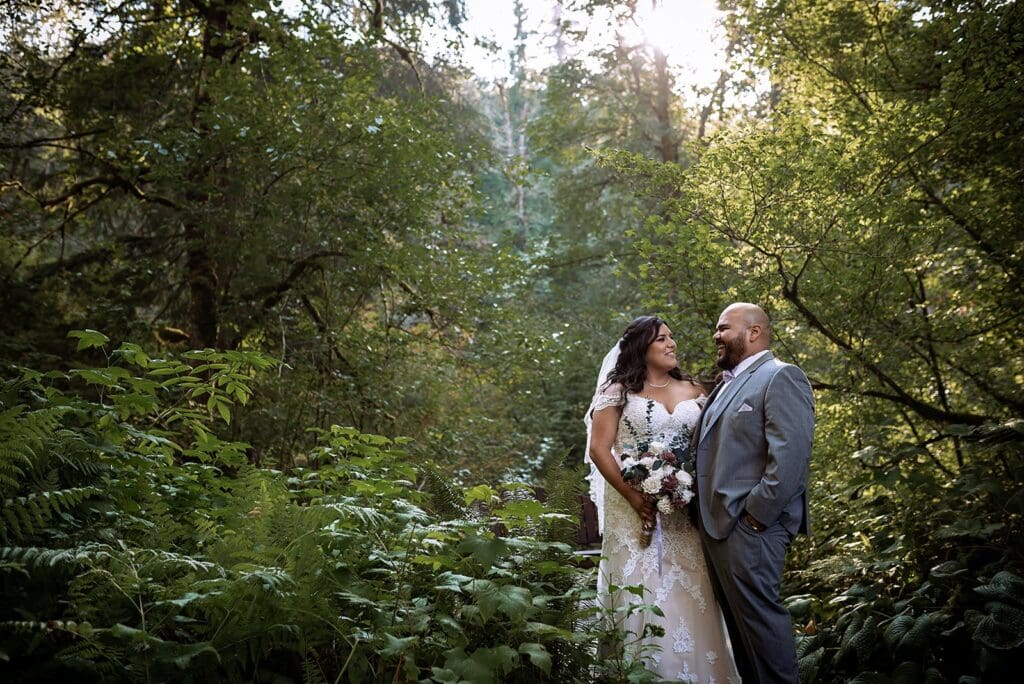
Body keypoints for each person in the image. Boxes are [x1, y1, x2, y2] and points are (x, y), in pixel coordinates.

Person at [586, 315, 740, 682]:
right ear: (642, 347)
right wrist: (634, 496)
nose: (672, 344)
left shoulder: (694, 389)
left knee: (690, 594)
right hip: (633, 512)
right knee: (643, 593)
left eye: (672, 337)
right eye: (662, 339)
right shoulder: (618, 391)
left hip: (684, 515)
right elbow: (599, 449)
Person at [694, 303, 814, 683]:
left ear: (754, 331)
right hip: (719, 530)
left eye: (724, 328)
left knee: (764, 638)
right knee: (744, 643)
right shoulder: (725, 384)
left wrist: (754, 518)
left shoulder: (781, 376)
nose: (716, 335)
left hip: (751, 530)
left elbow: (790, 458)